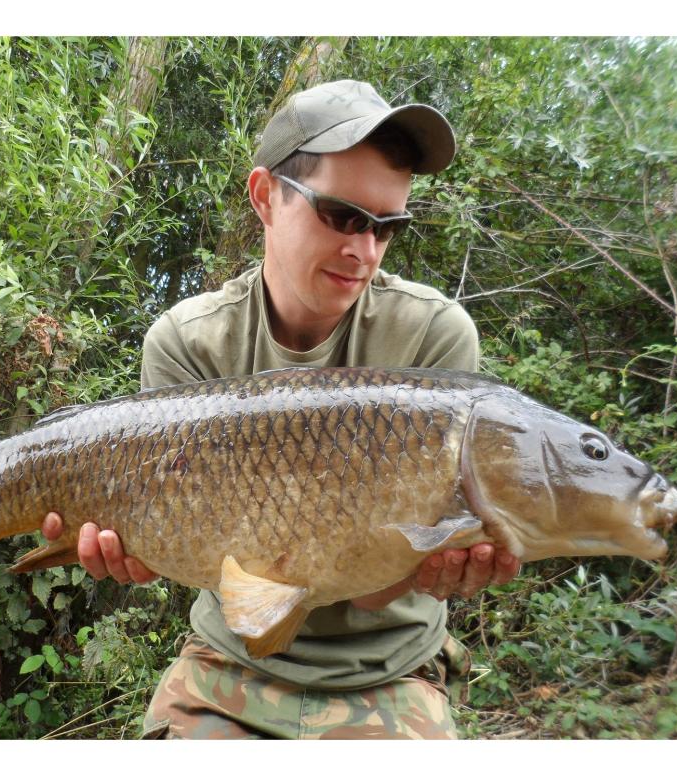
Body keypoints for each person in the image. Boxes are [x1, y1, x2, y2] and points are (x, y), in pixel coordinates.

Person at [41, 79, 520, 738]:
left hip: (389, 668)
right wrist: (143, 549)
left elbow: (384, 582)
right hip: (228, 659)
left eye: (388, 226)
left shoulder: (434, 336)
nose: (365, 251)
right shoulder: (186, 341)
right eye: (343, 216)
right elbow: (207, 564)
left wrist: (439, 564)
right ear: (265, 196)